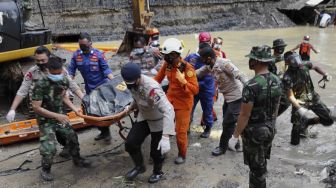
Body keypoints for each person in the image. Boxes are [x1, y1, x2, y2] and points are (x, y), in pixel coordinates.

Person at [6, 46, 84, 158]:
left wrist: (84, 99)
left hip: (58, 108)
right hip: (42, 112)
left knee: (68, 134)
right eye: (37, 61)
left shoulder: (58, 69)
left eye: (43, 60)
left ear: (49, 58)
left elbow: (72, 85)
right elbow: (22, 91)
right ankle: (47, 165)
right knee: (48, 145)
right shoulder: (32, 72)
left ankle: (67, 147)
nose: (40, 63)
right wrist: (12, 109)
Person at [228, 45, 282, 188]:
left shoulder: (251, 85)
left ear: (256, 61)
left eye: (251, 58)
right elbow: (276, 107)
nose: (250, 61)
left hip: (255, 134)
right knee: (261, 161)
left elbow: (245, 115)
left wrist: (234, 136)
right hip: (270, 129)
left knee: (256, 170)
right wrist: (271, 124)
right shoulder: (277, 80)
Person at [31, 57, 91, 181]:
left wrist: (74, 108)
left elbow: (63, 97)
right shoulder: (40, 85)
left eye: (59, 73)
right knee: (49, 147)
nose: (58, 75)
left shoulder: (63, 80)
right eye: (55, 74)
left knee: (72, 137)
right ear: (47, 70)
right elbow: (36, 108)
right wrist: (56, 116)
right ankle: (45, 170)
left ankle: (77, 159)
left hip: (60, 117)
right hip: (45, 120)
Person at [118, 62, 175, 183]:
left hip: (158, 119)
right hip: (144, 116)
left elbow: (169, 110)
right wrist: (130, 107)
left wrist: (165, 136)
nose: (131, 86)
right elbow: (137, 97)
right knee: (130, 143)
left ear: (139, 77)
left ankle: (158, 172)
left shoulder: (151, 88)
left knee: (156, 152)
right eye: (128, 84)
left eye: (133, 84)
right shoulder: (131, 83)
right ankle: (139, 166)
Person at [155, 38, 199, 164]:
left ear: (175, 55)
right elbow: (158, 78)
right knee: (164, 128)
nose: (166, 58)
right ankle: (162, 150)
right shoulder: (167, 65)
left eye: (168, 56)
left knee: (180, 132)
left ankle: (182, 154)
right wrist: (146, 84)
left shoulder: (188, 69)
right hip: (170, 100)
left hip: (183, 104)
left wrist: (183, 81)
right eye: (166, 56)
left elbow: (195, 90)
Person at [197, 46, 248, 156]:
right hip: (228, 97)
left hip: (236, 97)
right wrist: (185, 72)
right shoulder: (210, 66)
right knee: (229, 121)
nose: (202, 61)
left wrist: (249, 88)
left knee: (227, 123)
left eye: (203, 58)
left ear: (209, 58)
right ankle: (236, 144)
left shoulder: (224, 63)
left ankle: (222, 147)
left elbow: (239, 74)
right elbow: (198, 73)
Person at [68, 32, 114, 142]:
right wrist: (68, 83)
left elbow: (106, 70)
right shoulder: (76, 56)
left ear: (90, 43)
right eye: (80, 45)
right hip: (89, 89)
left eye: (84, 45)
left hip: (102, 88)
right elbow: (71, 71)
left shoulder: (98, 55)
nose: (82, 47)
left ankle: (106, 132)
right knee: (92, 113)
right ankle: (103, 132)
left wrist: (115, 81)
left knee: (103, 112)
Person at [282, 51, 333, 145]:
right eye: (293, 60)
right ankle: (294, 151)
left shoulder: (305, 65)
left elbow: (316, 67)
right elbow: (290, 96)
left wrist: (325, 74)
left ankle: (307, 122)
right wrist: (299, 107)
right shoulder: (287, 77)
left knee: (328, 119)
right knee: (296, 127)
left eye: (296, 59)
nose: (296, 62)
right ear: (287, 62)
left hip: (313, 97)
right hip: (300, 102)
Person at [185, 43, 215, 138]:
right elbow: (182, 65)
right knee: (189, 108)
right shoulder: (191, 57)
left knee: (207, 110)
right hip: (193, 88)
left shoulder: (211, 61)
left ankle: (208, 128)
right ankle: (187, 126)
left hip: (207, 89)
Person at [269, 39, 291, 116]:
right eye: (281, 47)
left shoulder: (283, 58)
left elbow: (286, 71)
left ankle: (272, 118)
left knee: (286, 103)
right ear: (275, 48)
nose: (282, 49)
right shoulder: (270, 61)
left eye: (283, 47)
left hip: (283, 85)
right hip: (273, 87)